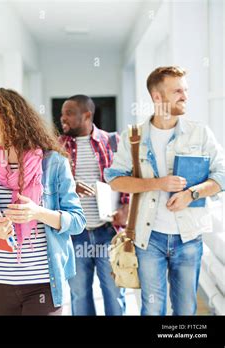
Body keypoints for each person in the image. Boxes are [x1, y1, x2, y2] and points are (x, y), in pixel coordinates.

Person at [105, 66, 225, 315]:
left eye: (186, 90)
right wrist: (158, 183)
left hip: (189, 237)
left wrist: (192, 194)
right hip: (149, 239)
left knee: (185, 309)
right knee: (152, 308)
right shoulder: (133, 137)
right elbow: (115, 180)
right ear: (157, 97)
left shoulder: (200, 133)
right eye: (177, 91)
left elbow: (221, 175)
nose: (185, 96)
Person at [0, 88, 86, 315]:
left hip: (43, 283)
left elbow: (77, 221)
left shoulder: (53, 163)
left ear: (13, 114)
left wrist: (37, 212)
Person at [59, 95, 128, 316]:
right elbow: (49, 185)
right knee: (79, 294)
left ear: (87, 115)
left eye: (69, 113)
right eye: (62, 113)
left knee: (115, 293)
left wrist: (125, 208)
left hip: (108, 232)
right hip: (74, 234)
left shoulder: (113, 142)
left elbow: (127, 178)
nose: (63, 118)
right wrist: (71, 187)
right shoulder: (57, 147)